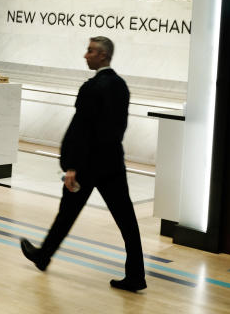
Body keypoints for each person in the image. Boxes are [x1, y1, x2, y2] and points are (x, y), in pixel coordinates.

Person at [20, 36, 146, 292]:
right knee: (127, 221)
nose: (85, 55)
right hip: (112, 163)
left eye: (90, 51)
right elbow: (117, 128)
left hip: (88, 165)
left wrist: (72, 166)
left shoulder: (91, 88)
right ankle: (136, 275)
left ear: (102, 56)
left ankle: (43, 256)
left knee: (66, 213)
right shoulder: (121, 86)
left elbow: (81, 130)